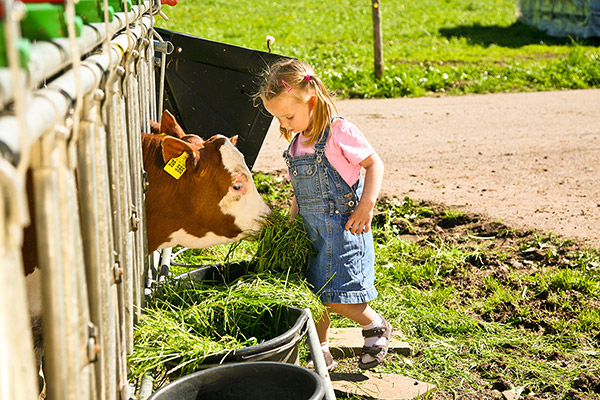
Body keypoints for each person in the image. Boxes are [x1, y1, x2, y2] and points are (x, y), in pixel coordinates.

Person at [256, 58, 391, 371]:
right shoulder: (296, 144)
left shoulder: (338, 132)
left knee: (336, 296)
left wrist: (366, 204)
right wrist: (289, 225)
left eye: (288, 116)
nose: (285, 125)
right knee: (313, 298)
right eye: (279, 119)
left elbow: (374, 164)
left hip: (342, 230)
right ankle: (322, 350)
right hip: (310, 233)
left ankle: (375, 324)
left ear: (311, 101)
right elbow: (298, 194)